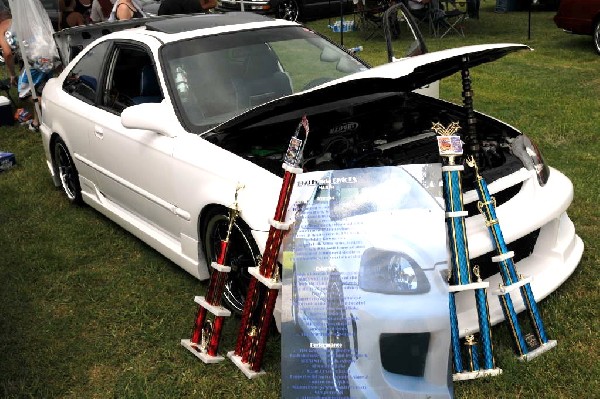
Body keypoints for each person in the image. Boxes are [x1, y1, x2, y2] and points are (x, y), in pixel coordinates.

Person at [0, 11, 16, 87]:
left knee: (24, 94)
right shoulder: (19, 21)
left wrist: (12, 74)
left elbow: (7, 53)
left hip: (33, 63)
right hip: (45, 56)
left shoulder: (1, 28)